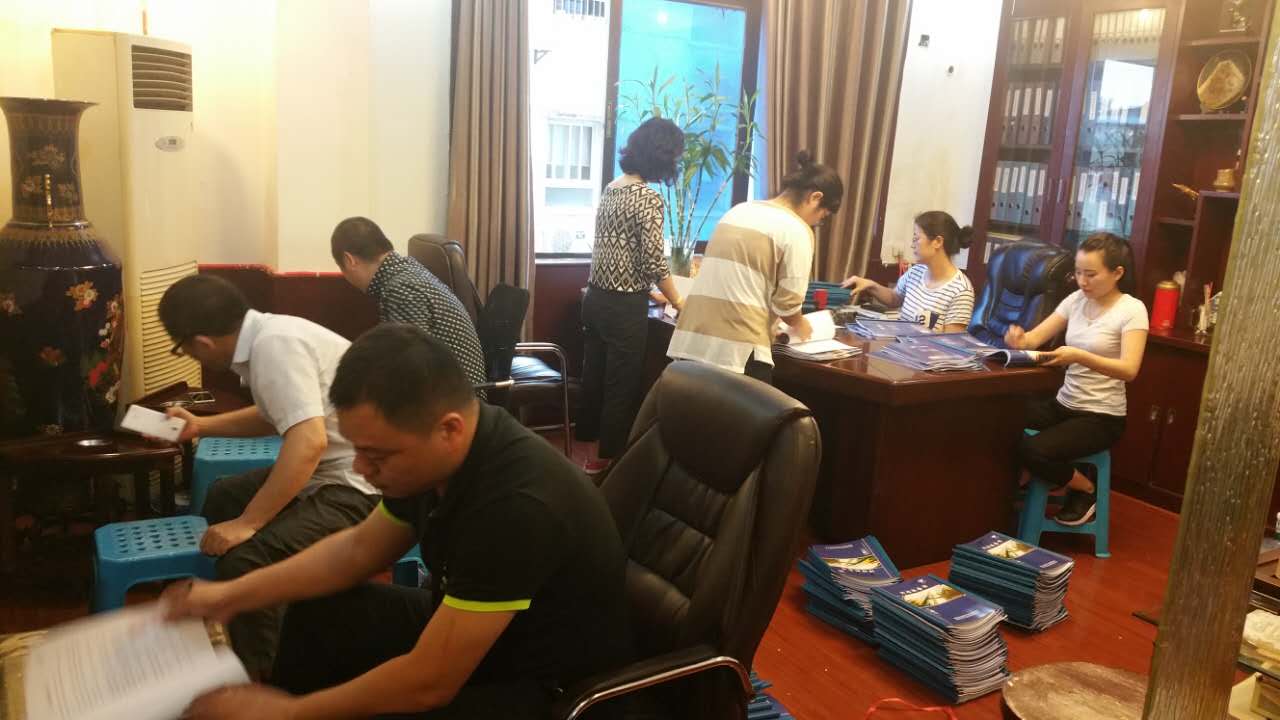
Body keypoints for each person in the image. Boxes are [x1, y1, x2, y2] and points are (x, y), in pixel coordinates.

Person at [164, 325, 634, 719]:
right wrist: (229, 596)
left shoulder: (517, 505)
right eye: (358, 450)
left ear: (449, 429)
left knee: (367, 704)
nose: (360, 469)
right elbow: (355, 551)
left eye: (377, 456)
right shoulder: (443, 457)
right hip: (482, 633)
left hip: (546, 683)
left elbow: (430, 683)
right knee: (317, 613)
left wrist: (287, 712)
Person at [157, 275, 381, 679]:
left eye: (181, 348)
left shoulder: (274, 348)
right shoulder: (270, 336)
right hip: (333, 469)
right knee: (225, 495)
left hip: (363, 485)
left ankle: (259, 680)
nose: (188, 354)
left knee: (247, 559)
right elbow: (279, 413)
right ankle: (243, 623)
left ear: (201, 343)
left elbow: (309, 442)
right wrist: (201, 426)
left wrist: (249, 524)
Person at [1005, 232, 1148, 525]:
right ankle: (1026, 482)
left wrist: (1080, 356)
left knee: (1033, 450)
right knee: (1000, 418)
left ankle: (1086, 489)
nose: (1082, 281)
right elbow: (1034, 339)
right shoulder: (1076, 300)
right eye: (1078, 272)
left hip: (1101, 416)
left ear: (1117, 273)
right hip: (1064, 405)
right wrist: (1019, 340)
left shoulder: (1132, 310)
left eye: (1091, 274)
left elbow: (1129, 369)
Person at [666, 150, 844, 385]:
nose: (817, 222)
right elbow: (788, 304)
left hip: (690, 343)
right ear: (815, 197)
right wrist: (802, 325)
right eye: (823, 216)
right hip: (737, 353)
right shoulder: (796, 229)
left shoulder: (738, 211)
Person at [578, 117, 687, 473]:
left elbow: (618, 251)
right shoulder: (647, 197)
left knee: (594, 378)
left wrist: (652, 292)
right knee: (620, 386)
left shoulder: (612, 188)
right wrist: (679, 301)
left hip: (595, 299)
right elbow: (654, 259)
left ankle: (586, 455)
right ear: (662, 156)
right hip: (623, 308)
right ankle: (608, 464)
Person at [330, 216, 488, 393]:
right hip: (451, 393)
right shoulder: (408, 270)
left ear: (349, 260)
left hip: (454, 401)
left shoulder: (400, 290)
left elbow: (409, 372)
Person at [840, 211, 976, 332]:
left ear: (937, 242)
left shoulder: (961, 290)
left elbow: (952, 343)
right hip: (900, 346)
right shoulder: (916, 272)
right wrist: (870, 285)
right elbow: (894, 298)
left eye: (916, 238)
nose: (912, 245)